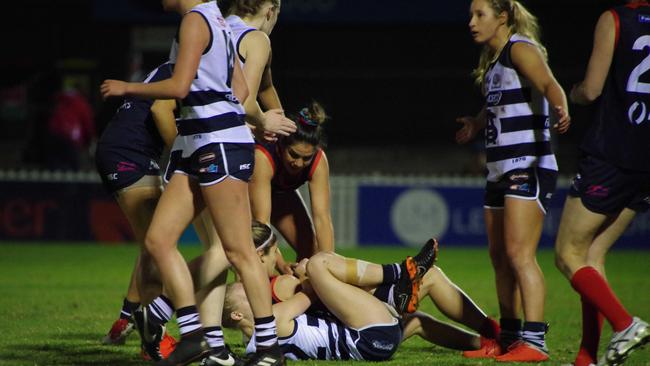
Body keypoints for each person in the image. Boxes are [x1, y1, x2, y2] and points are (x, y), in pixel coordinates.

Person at [100, 1, 283, 365]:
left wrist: (127, 87)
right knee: (158, 240)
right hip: (197, 144)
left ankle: (268, 348)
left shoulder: (197, 20)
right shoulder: (217, 20)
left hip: (217, 144)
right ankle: (195, 335)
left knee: (238, 251)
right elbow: (240, 86)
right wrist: (248, 119)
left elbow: (181, 87)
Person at [455, 0, 571, 362]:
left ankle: (534, 343)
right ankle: (508, 339)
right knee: (500, 257)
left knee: (521, 255)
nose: (471, 22)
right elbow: (501, 104)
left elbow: (549, 83)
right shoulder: (494, 64)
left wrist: (560, 105)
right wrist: (476, 123)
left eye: (480, 15)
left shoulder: (520, 48)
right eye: (471, 15)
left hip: (528, 164)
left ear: (502, 17)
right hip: (499, 168)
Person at [554, 1, 650, 365]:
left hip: (613, 153)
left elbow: (592, 91)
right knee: (592, 256)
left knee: (567, 254)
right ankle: (586, 357)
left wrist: (573, 94)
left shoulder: (614, 19)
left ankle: (625, 323)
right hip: (645, 162)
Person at [222, 242, 504, 361]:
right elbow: (310, 293)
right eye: (246, 293)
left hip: (372, 338)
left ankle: (491, 340)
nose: (255, 290)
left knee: (425, 300)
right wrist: (308, 274)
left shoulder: (261, 342)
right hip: (367, 336)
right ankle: (398, 277)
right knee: (319, 264)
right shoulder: (270, 323)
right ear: (237, 316)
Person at [96, 61, 177, 348]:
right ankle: (153, 342)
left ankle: (126, 318)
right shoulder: (190, 69)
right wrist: (182, 156)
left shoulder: (172, 66)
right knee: (160, 246)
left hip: (124, 148)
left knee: (152, 243)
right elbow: (159, 110)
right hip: (130, 153)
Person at [250, 101, 333, 273]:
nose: (299, 163)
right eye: (293, 154)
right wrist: (280, 264)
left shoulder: (318, 161)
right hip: (245, 194)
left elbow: (322, 218)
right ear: (282, 145)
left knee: (313, 252)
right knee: (257, 257)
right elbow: (261, 223)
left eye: (306, 158)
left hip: (279, 194)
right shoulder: (263, 158)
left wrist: (330, 266)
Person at [220, 0, 296, 142]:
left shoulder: (211, 29)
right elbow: (246, 103)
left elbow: (265, 88)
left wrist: (283, 127)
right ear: (270, 12)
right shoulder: (258, 40)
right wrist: (264, 122)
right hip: (227, 143)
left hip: (192, 136)